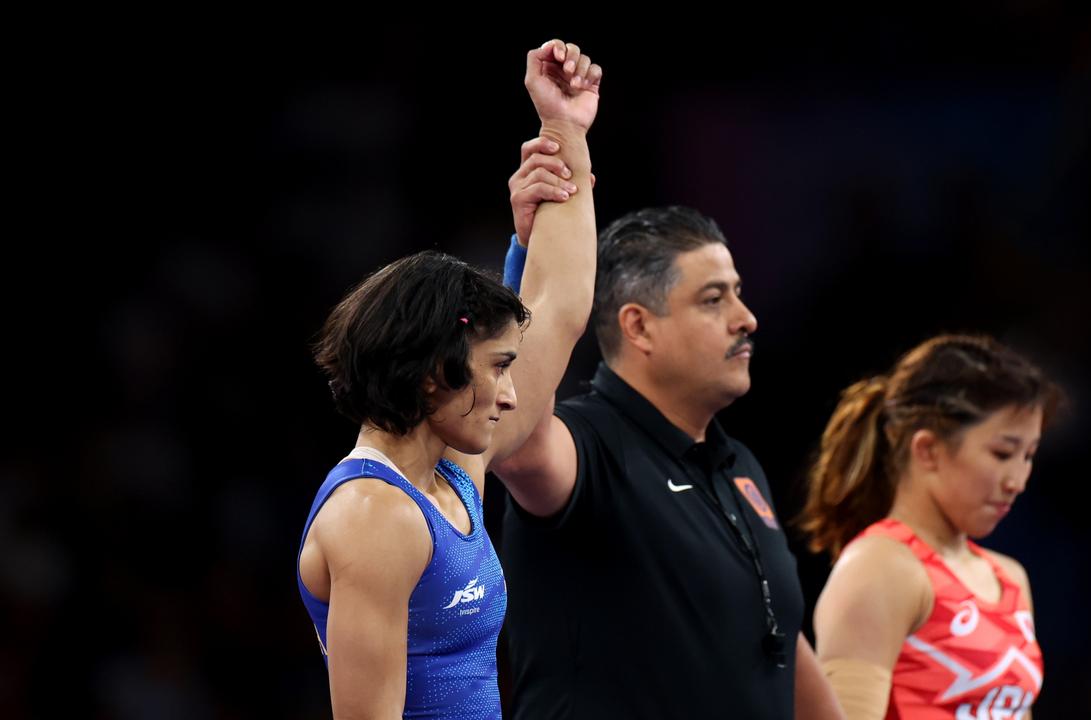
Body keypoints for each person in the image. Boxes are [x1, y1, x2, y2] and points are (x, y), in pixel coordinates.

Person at [295, 39, 602, 719]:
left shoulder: (456, 469)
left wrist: (566, 131)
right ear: (436, 373)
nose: (513, 393)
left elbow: (563, 308)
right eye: (497, 368)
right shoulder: (375, 518)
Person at [491, 205, 843, 718]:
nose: (746, 318)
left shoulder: (738, 464)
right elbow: (516, 440)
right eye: (713, 299)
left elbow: (779, 641)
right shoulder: (587, 445)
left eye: (738, 294)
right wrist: (531, 259)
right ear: (639, 327)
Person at [802, 334, 1062, 720]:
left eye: (1028, 456)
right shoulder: (880, 568)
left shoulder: (1010, 578)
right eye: (1002, 453)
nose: (1018, 480)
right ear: (927, 450)